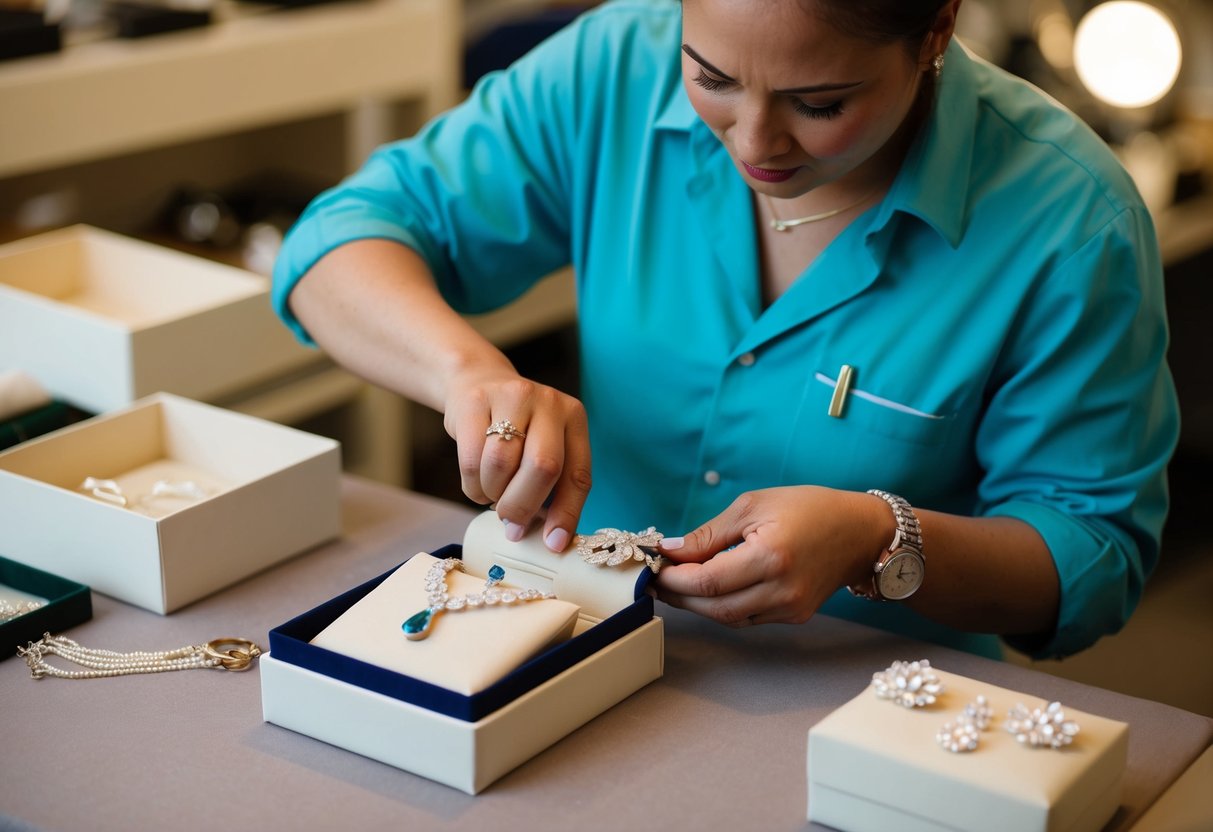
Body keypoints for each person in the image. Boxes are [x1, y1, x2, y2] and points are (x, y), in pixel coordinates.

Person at [271, 0, 1178, 659]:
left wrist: (877, 538)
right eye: (709, 78)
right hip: (564, 649)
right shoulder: (609, 69)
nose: (752, 142)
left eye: (819, 104)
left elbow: (1093, 560)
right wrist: (465, 372)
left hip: (863, 711)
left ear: (936, 29)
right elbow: (333, 244)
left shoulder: (1069, 220)